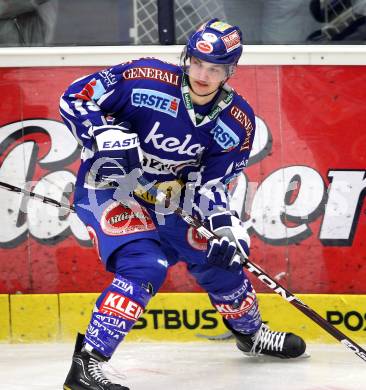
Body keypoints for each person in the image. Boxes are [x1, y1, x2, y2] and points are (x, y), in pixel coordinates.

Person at [60, 18, 306, 390]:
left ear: (230, 71)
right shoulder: (141, 76)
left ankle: (251, 334)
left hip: (173, 198)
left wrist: (225, 227)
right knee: (146, 264)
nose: (203, 75)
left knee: (219, 257)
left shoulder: (237, 122)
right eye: (197, 62)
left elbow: (213, 182)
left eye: (215, 68)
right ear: (187, 57)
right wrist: (99, 130)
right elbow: (74, 97)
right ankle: (87, 363)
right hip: (110, 186)